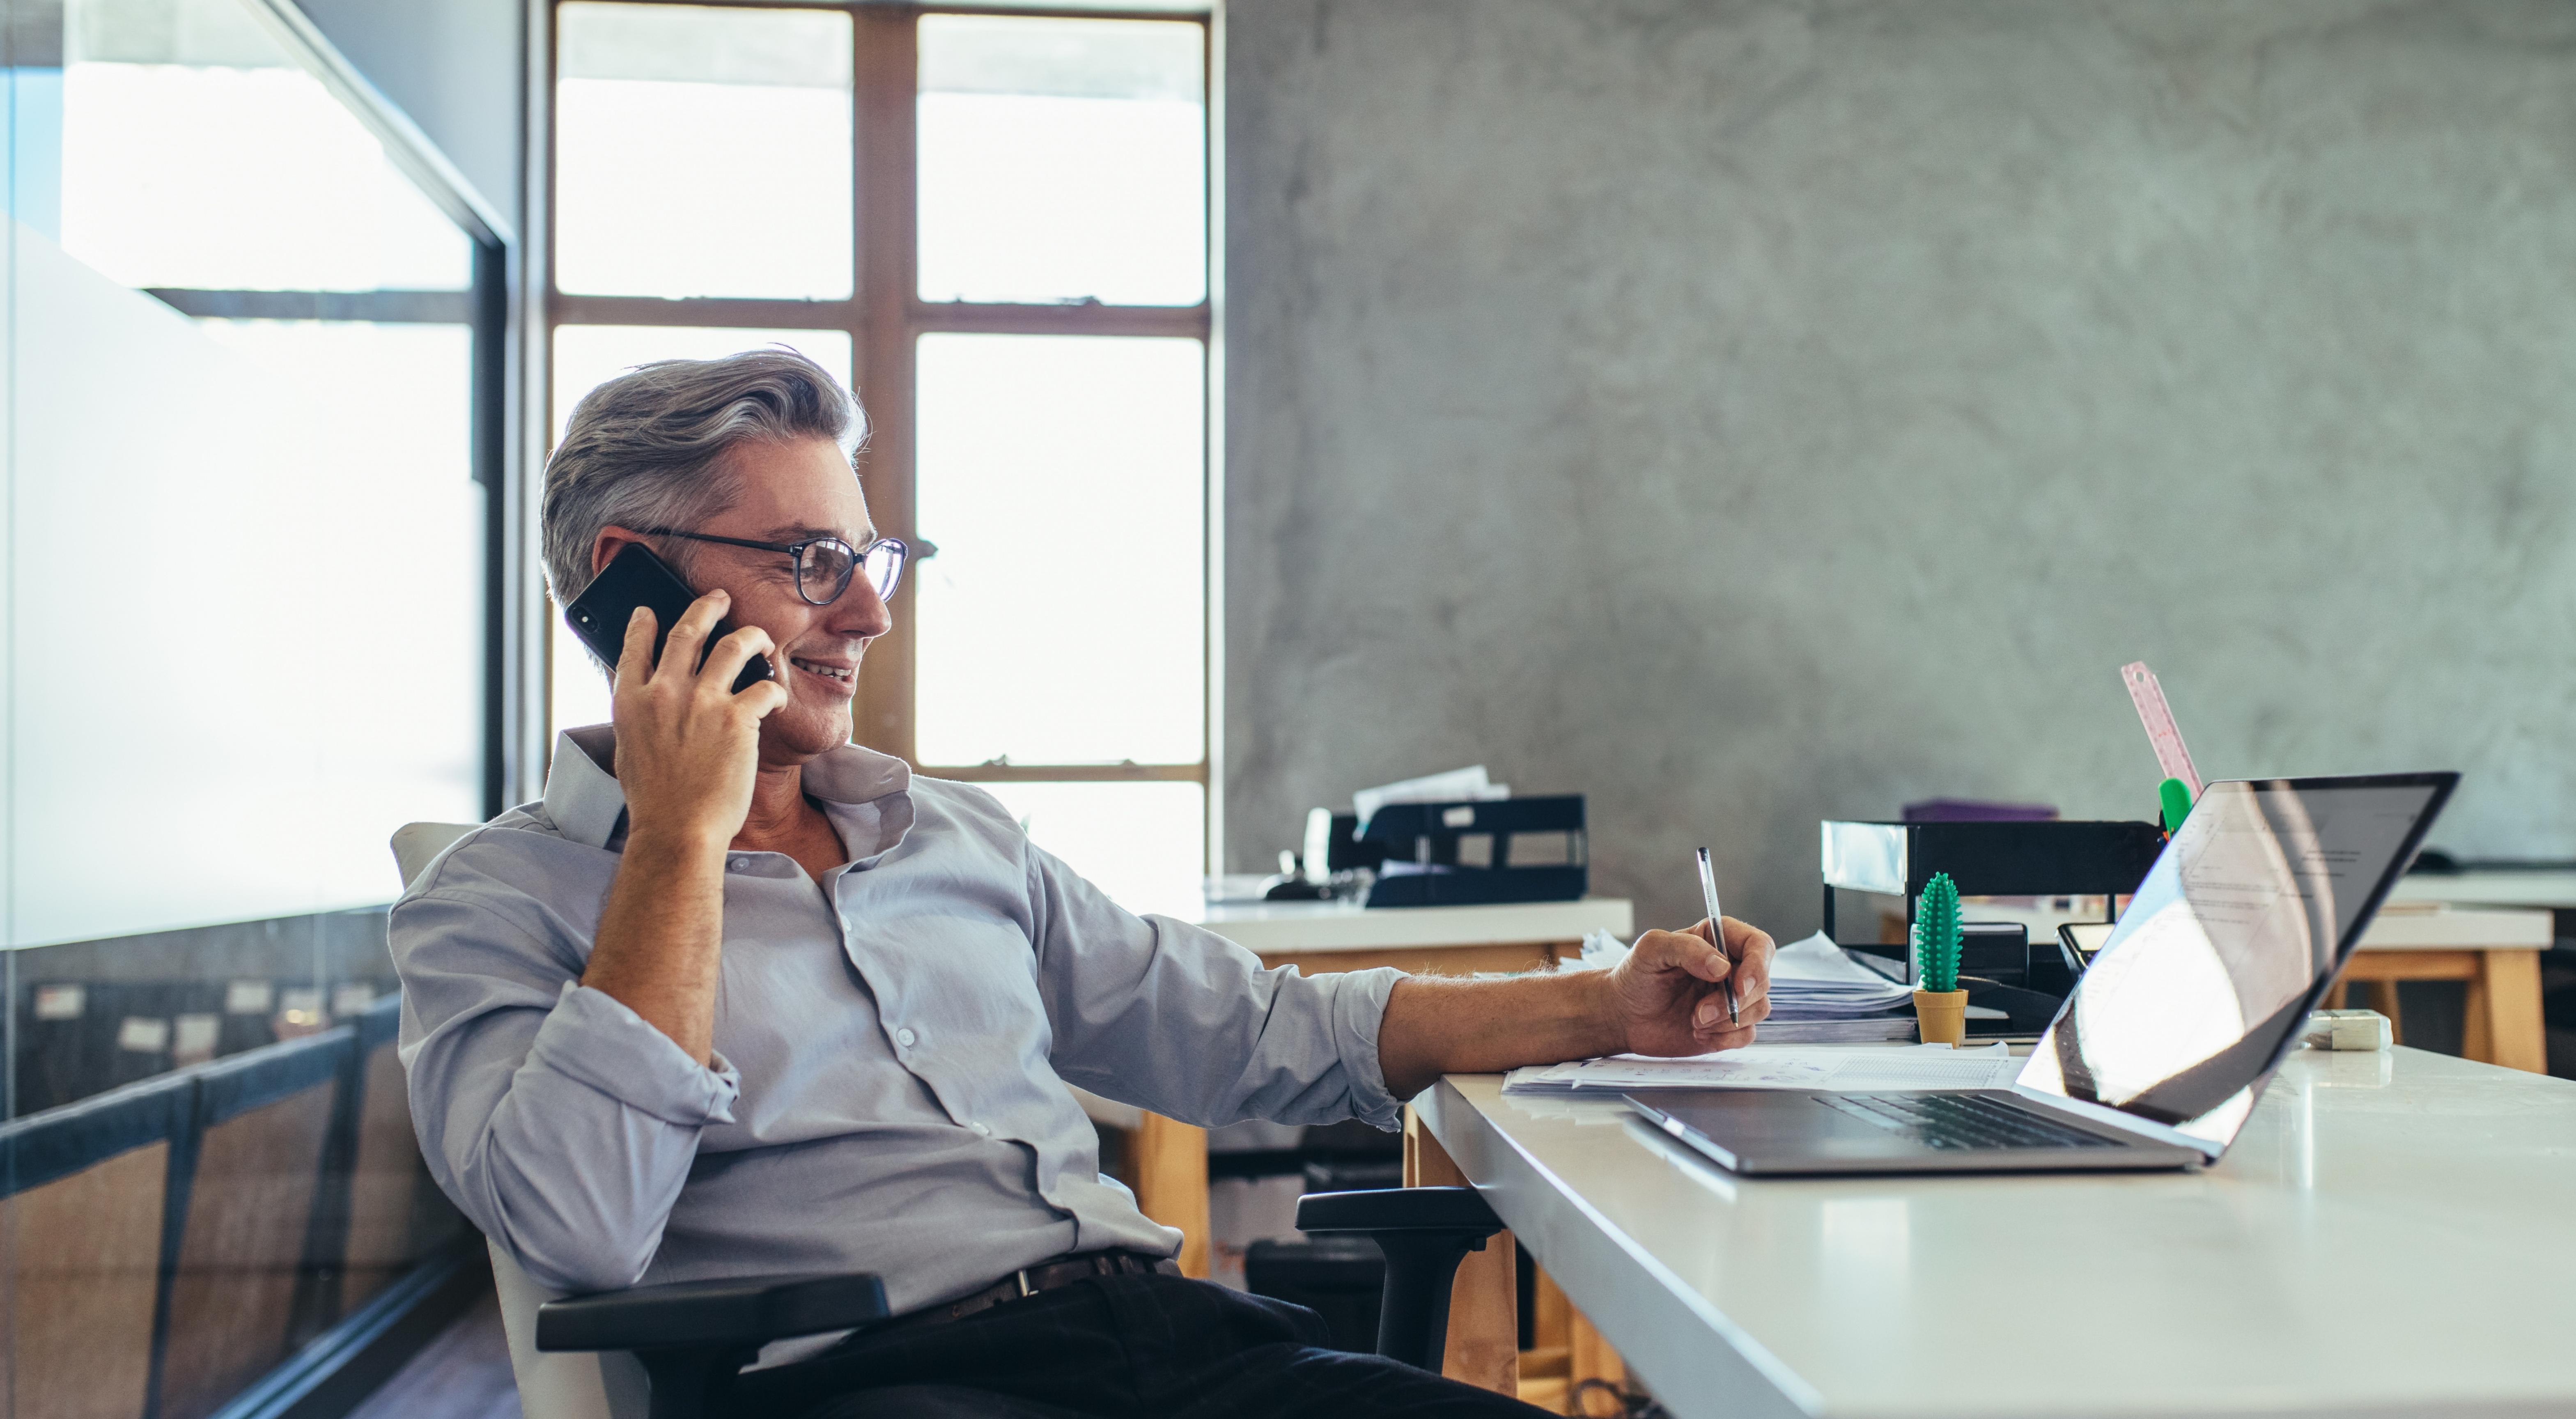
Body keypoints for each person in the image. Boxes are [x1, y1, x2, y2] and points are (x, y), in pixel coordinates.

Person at [393, 349, 1772, 1419]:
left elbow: (1268, 1034)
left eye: (871, 560)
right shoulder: (495, 901)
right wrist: (682, 840)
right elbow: (578, 1224)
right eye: (813, 564)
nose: (870, 613)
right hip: (887, 1388)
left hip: (1174, 1348)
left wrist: (1611, 1007)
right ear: (626, 586)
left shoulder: (953, 839)